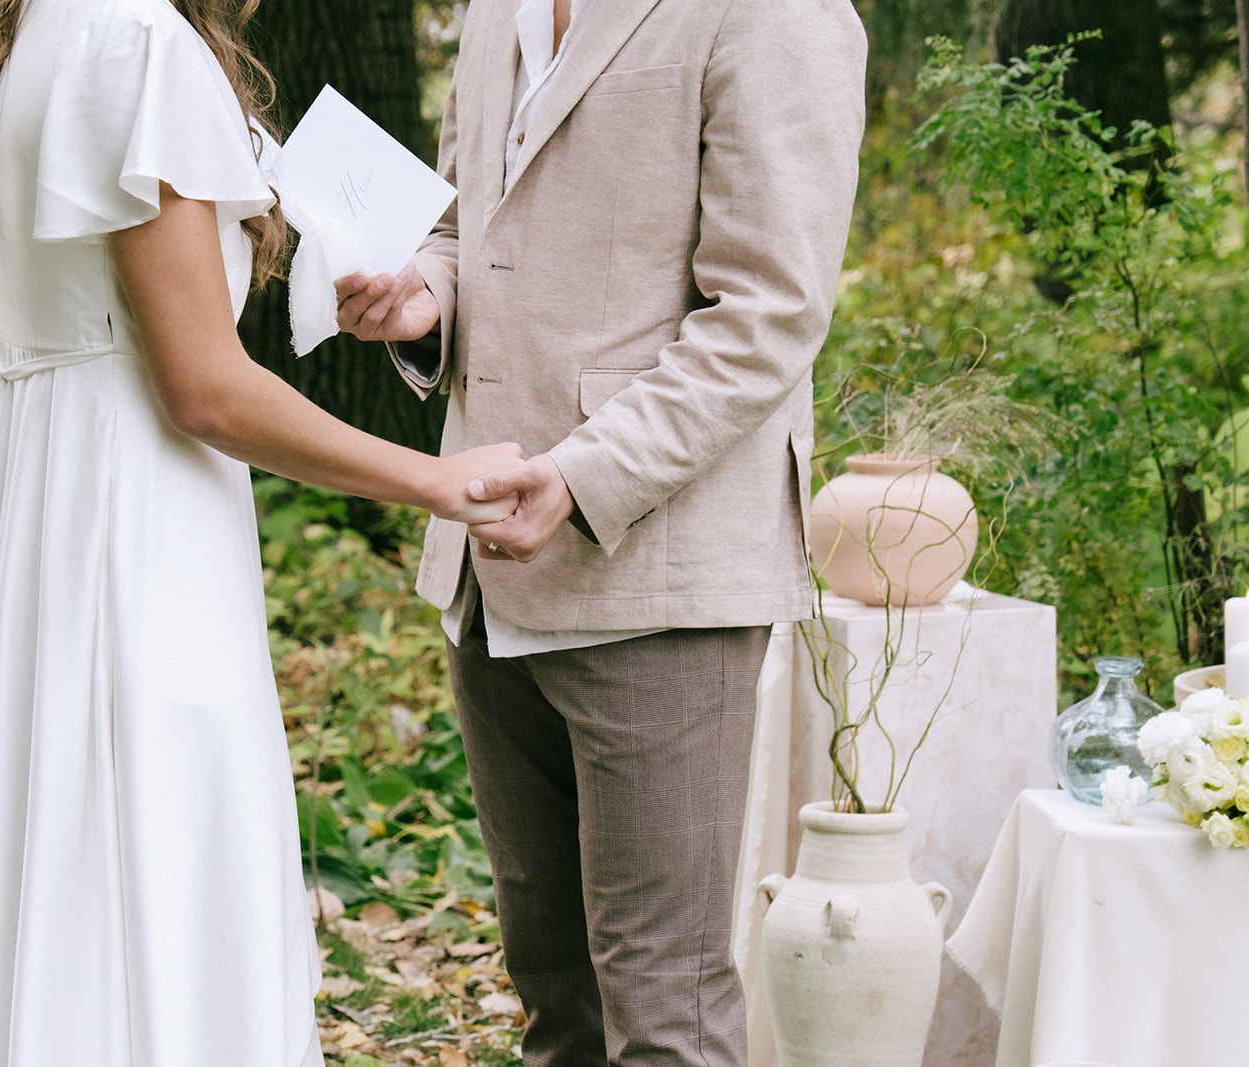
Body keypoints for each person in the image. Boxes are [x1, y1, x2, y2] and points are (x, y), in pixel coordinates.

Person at [0, 0, 523, 1061]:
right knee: (160, 857)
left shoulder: (27, 35)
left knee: (63, 870)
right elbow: (201, 386)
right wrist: (433, 479)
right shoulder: (140, 42)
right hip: (132, 517)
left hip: (50, 497)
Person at [335, 0, 867, 1062]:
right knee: (555, 999)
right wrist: (418, 295)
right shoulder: (498, 11)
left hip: (656, 568)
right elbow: (461, 229)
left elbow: (768, 313)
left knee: (662, 1011)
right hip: (488, 575)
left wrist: (581, 478)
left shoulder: (777, 13)